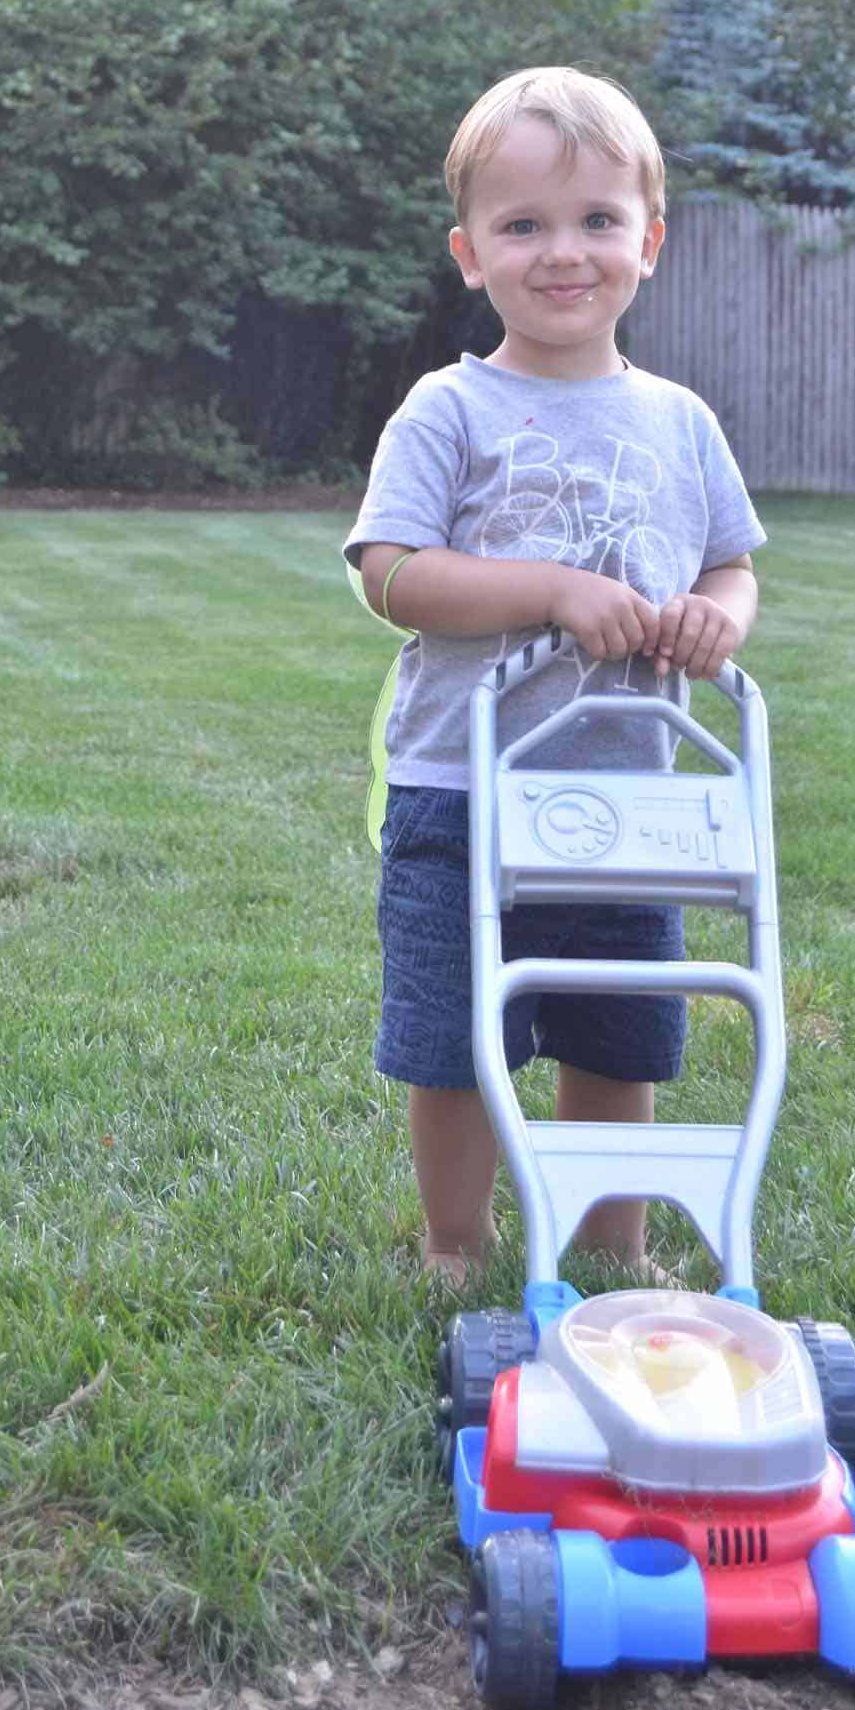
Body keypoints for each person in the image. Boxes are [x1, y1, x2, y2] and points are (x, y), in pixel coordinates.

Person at [344, 66, 765, 1284]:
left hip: (632, 802)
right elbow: (392, 572)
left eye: (594, 221)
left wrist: (712, 620)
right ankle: (455, 1246)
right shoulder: (449, 409)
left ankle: (612, 1246)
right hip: (462, 790)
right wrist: (547, 590)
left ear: (651, 241)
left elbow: (732, 569)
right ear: (469, 252)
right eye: (522, 225)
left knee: (617, 1029)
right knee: (457, 1039)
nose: (561, 252)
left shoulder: (682, 421)